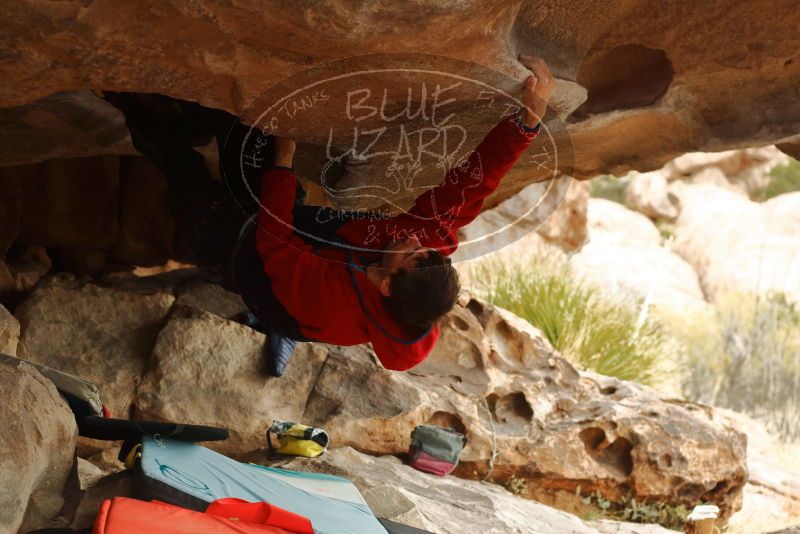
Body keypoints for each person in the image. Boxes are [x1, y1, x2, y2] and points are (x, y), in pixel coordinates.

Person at [110, 55, 555, 377]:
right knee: (245, 132)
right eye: (423, 250)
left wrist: (283, 164)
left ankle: (123, 100)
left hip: (244, 259)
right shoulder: (425, 251)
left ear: (386, 284)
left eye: (408, 255)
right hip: (299, 233)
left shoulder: (332, 304)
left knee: (182, 169)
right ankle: (195, 119)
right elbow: (471, 184)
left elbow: (274, 244)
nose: (413, 242)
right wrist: (527, 124)